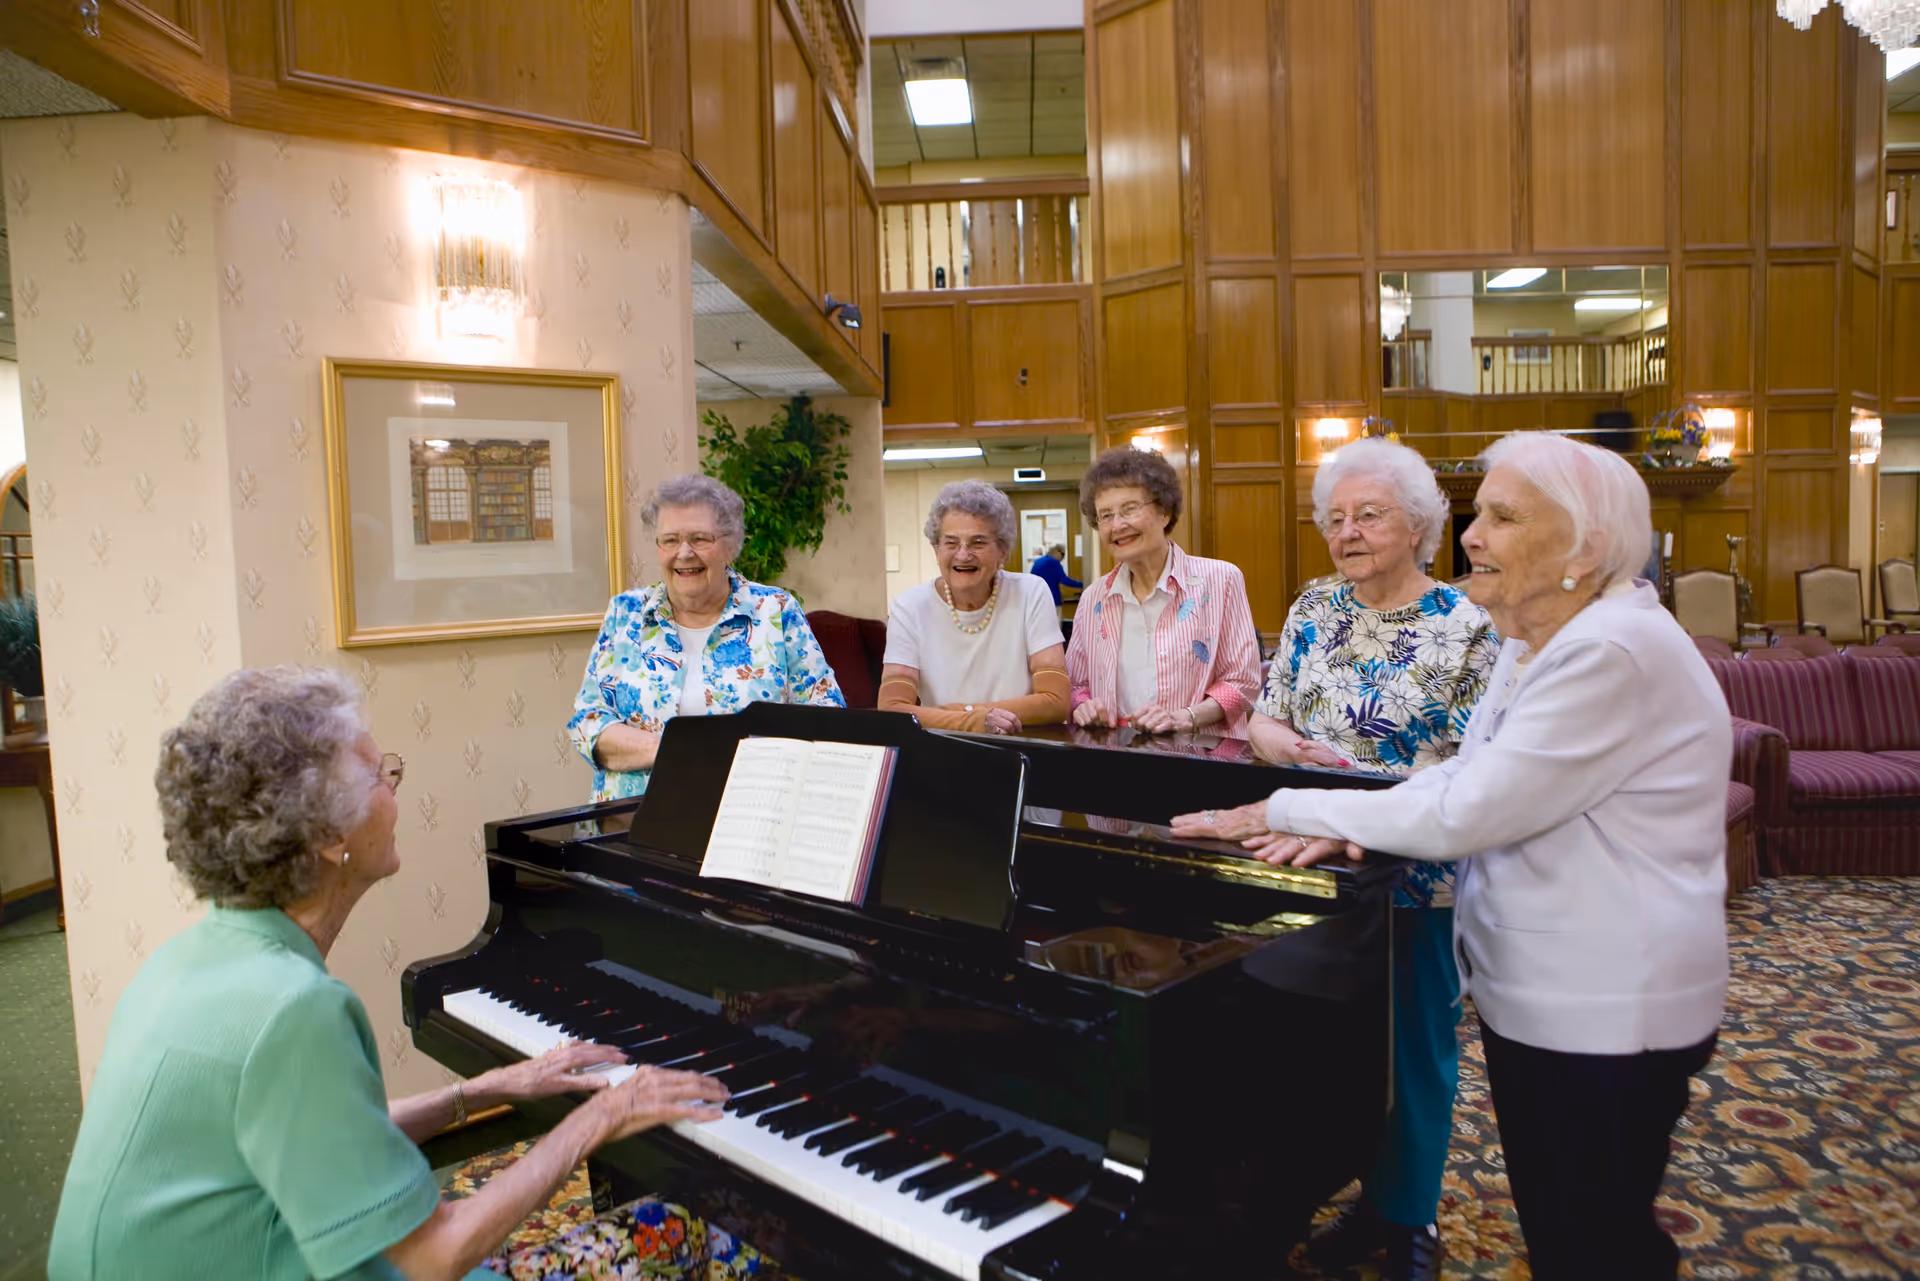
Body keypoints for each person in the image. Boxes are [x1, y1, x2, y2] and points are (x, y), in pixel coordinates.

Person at [1172, 433, 1730, 1281]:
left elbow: (1470, 798)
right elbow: (1475, 770)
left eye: (1502, 517)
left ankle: (1401, 1214)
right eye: (1479, 514)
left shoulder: (1601, 648)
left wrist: (1288, 805)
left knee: (1596, 1236)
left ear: (1583, 549)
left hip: (1607, 999)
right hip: (1529, 976)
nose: (1473, 534)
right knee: (1565, 1219)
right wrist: (1324, 804)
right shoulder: (1531, 635)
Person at [49, 666, 763, 1281]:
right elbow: (429, 1258)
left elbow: (326, 1134)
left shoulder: (192, 959)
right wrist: (600, 1117)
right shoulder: (295, 1009)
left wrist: (482, 1090)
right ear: (330, 838)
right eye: (377, 772)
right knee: (697, 1228)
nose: (394, 787)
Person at [1245, 437, 1499, 1280]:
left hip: (1412, 872)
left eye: (1369, 514)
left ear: (1420, 523)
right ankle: (1305, 1191)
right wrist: (1282, 744)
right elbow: (1264, 717)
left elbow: (1474, 762)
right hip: (1310, 872)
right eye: (1336, 518)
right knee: (1311, 1048)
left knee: (1413, 1046)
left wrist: (1373, 809)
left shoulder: (1465, 625)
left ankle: (1405, 1216)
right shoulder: (1316, 605)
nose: (1347, 532)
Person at [569, 473, 844, 800]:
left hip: (752, 816)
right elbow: (588, 722)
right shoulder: (625, 614)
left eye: (700, 539)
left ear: (731, 546)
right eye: (669, 540)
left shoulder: (776, 611)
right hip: (633, 823)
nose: (684, 553)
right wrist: (674, 750)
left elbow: (829, 717)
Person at [1066, 446, 1261, 735]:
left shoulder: (1221, 580)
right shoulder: (1094, 597)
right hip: (1117, 758)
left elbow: (1243, 684)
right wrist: (1082, 705)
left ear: (1165, 512)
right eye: (1105, 515)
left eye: (1129, 509)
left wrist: (1185, 717)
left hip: (1201, 759)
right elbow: (1076, 685)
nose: (1117, 525)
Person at [879, 479, 1068, 734]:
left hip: (1020, 748)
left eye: (978, 542)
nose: (963, 554)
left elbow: (1056, 701)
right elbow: (891, 708)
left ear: (1003, 551)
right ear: (936, 551)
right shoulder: (908, 607)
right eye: (951, 542)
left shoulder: (1031, 593)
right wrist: (974, 721)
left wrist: (950, 713)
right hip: (944, 752)